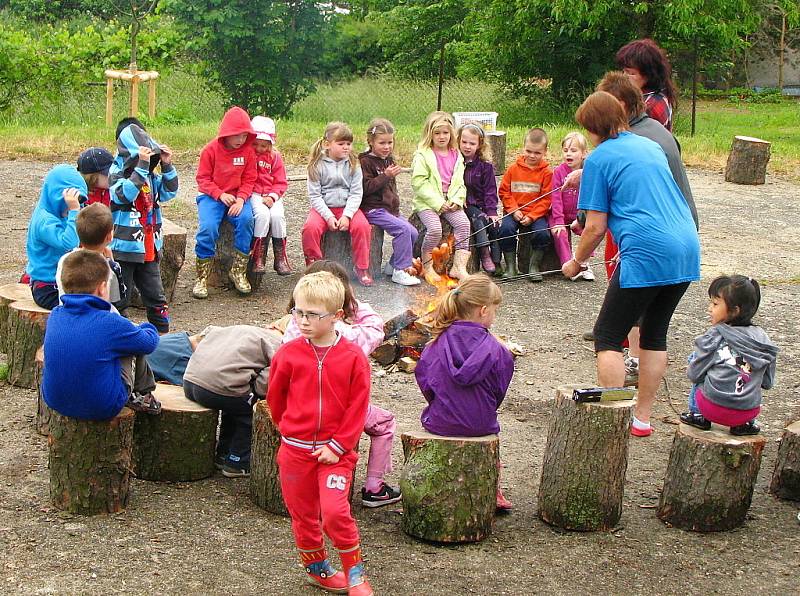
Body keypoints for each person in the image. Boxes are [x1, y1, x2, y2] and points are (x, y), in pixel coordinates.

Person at [562, 91, 700, 438]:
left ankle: (613, 419)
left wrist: (576, 262)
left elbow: (593, 226)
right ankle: (641, 418)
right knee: (654, 333)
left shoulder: (598, 159)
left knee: (608, 335)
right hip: (685, 246)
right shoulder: (647, 145)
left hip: (647, 250)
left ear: (591, 127)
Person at [267, 271, 373, 596]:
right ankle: (319, 570)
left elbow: (358, 406)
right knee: (303, 516)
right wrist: (288, 430)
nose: (303, 320)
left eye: (313, 314)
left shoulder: (354, 357)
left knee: (335, 513)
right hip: (295, 452)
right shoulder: (288, 354)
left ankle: (355, 574)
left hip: (336, 455)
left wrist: (338, 445)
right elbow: (276, 398)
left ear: (337, 316)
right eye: (298, 312)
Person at [284, 261, 401, 508]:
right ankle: (374, 487)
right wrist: (354, 304)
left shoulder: (294, 326)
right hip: (337, 414)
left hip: (298, 412)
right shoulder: (348, 337)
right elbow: (376, 329)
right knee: (385, 422)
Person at [414, 274, 514, 510]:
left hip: (440, 422)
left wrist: (441, 403)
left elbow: (424, 380)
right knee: (493, 430)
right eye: (494, 310)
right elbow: (499, 391)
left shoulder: (436, 343)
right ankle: (494, 488)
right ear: (482, 311)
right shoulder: (499, 351)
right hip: (482, 424)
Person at [42, 250, 160, 420]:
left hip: (55, 400)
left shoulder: (55, 314)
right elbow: (149, 343)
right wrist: (147, 327)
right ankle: (142, 394)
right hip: (103, 406)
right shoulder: (110, 322)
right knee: (132, 345)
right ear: (102, 288)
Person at [681, 275, 778, 436]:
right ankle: (744, 425)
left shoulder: (715, 335)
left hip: (710, 408)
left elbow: (693, 374)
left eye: (715, 303)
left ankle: (698, 415)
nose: (709, 308)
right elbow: (767, 382)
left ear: (734, 310)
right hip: (747, 412)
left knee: (696, 360)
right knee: (751, 376)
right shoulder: (763, 339)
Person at [184, 325, 283, 477]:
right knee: (250, 413)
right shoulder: (279, 344)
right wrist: (256, 393)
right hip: (218, 389)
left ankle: (223, 453)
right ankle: (238, 462)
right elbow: (267, 381)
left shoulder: (237, 329)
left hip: (191, 381)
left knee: (233, 407)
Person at [109, 120, 178, 333]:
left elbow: (169, 192)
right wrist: (140, 166)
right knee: (121, 296)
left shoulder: (150, 175)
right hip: (124, 247)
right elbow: (123, 195)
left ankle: (162, 337)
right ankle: (119, 336)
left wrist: (166, 165)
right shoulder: (116, 172)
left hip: (148, 245)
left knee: (156, 297)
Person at [193, 106, 258, 298]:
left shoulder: (248, 152)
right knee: (208, 227)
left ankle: (238, 270)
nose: (240, 140)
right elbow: (202, 180)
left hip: (238, 197)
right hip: (212, 197)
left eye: (244, 135)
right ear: (226, 133)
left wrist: (241, 199)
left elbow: (249, 179)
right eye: (236, 135)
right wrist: (220, 194)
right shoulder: (210, 150)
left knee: (247, 220)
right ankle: (202, 278)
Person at [302, 121, 374, 287]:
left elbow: (356, 193)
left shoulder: (354, 164)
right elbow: (315, 196)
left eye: (349, 144)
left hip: (347, 207)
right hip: (323, 208)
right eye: (341, 144)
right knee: (309, 229)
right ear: (327, 144)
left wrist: (347, 216)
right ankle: (314, 267)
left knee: (363, 227)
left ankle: (362, 267)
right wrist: (328, 216)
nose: (346, 147)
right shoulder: (316, 165)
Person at [358, 118, 420, 286]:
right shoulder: (365, 162)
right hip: (373, 209)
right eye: (382, 143)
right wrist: (386, 176)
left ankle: (392, 266)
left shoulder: (388, 159)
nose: (386, 147)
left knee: (413, 232)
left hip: (389, 209)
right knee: (402, 230)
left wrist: (394, 203)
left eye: (390, 142)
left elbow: (390, 188)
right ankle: (401, 270)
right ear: (370, 142)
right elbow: (366, 188)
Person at [411, 111, 470, 284]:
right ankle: (427, 265)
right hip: (428, 202)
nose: (442, 137)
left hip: (450, 200)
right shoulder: (423, 155)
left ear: (451, 134)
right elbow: (419, 183)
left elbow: (460, 182)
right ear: (430, 134)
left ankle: (458, 266)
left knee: (464, 224)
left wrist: (457, 200)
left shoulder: (456, 154)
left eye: (445, 133)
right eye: (437, 133)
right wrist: (438, 203)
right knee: (435, 229)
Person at [25, 165, 86, 309]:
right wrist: (74, 210)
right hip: (46, 288)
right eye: (71, 203)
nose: (74, 207)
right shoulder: (45, 221)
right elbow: (69, 243)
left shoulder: (58, 213)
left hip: (60, 282)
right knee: (81, 309)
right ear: (56, 197)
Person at [498, 128, 553, 282]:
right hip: (514, 211)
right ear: (524, 148)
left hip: (535, 214)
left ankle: (533, 266)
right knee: (505, 229)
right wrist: (514, 210)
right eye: (529, 151)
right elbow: (504, 192)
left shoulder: (547, 173)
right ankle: (510, 267)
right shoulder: (513, 169)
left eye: (537, 153)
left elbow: (546, 199)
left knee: (542, 233)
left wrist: (532, 216)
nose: (532, 155)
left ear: (545, 152)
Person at [54, 203, 125, 307]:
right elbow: (115, 299)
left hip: (67, 312)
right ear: (110, 236)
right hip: (97, 318)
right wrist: (111, 260)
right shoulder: (108, 268)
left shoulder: (64, 260)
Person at [249, 115, 292, 275]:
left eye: (264, 145)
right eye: (256, 144)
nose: (259, 149)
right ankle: (257, 257)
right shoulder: (248, 156)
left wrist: (273, 196)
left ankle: (280, 258)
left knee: (277, 217)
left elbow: (281, 181)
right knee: (262, 216)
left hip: (272, 195)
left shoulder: (275, 157)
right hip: (254, 193)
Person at [548, 132, 593, 281]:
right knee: (560, 233)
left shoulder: (588, 173)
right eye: (565, 150)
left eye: (573, 150)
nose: (569, 154)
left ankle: (584, 264)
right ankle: (569, 266)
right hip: (560, 215)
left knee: (590, 232)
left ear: (584, 153)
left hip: (579, 215)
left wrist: (582, 219)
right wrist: (559, 221)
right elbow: (556, 199)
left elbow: (589, 197)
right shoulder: (558, 172)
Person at [459, 123, 501, 275]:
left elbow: (490, 190)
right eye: (464, 142)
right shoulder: (457, 162)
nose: (467, 146)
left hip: (482, 205)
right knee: (479, 221)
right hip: (465, 204)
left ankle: (497, 259)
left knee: (493, 224)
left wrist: (492, 211)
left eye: (472, 143)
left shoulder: (485, 166)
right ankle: (484, 252)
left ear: (480, 144)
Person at [615, 38, 677, 132]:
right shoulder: (643, 96)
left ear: (648, 75)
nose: (624, 77)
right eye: (624, 71)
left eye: (631, 73)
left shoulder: (651, 105)